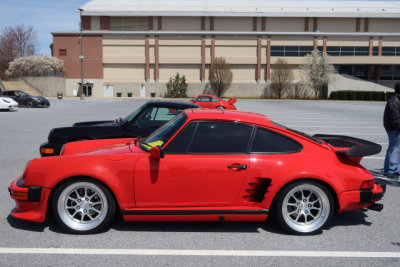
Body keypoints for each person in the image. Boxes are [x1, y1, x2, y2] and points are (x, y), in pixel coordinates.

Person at [383, 82, 400, 179]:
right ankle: (389, 170)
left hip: (396, 128)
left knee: (397, 150)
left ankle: (394, 169)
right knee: (393, 149)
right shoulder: (394, 101)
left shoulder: (397, 100)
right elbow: (395, 120)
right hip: (393, 128)